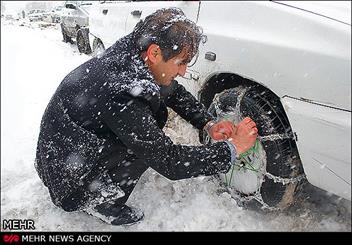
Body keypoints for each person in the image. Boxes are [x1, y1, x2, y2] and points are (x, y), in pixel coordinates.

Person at [35, 8, 258, 226]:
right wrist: (232, 149)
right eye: (180, 63)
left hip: (64, 155)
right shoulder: (120, 90)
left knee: (145, 135)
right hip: (69, 180)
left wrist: (207, 123)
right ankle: (100, 203)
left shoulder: (134, 54)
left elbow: (172, 90)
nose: (183, 72)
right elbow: (169, 161)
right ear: (154, 53)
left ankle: (97, 183)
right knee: (146, 147)